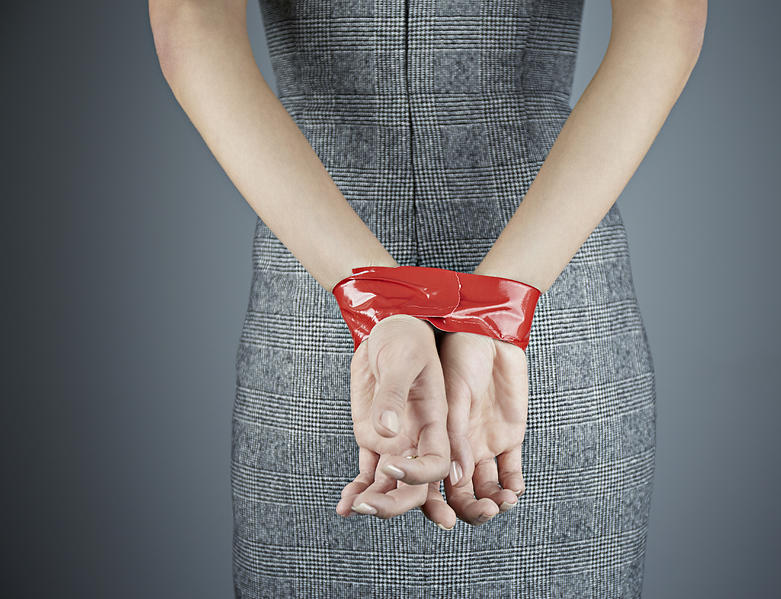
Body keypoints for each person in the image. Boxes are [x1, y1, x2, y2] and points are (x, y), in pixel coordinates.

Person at [149, 0, 706, 596]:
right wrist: (499, 303)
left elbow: (193, 22)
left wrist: (375, 294)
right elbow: (665, 20)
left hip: (325, 298)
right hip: (541, 294)